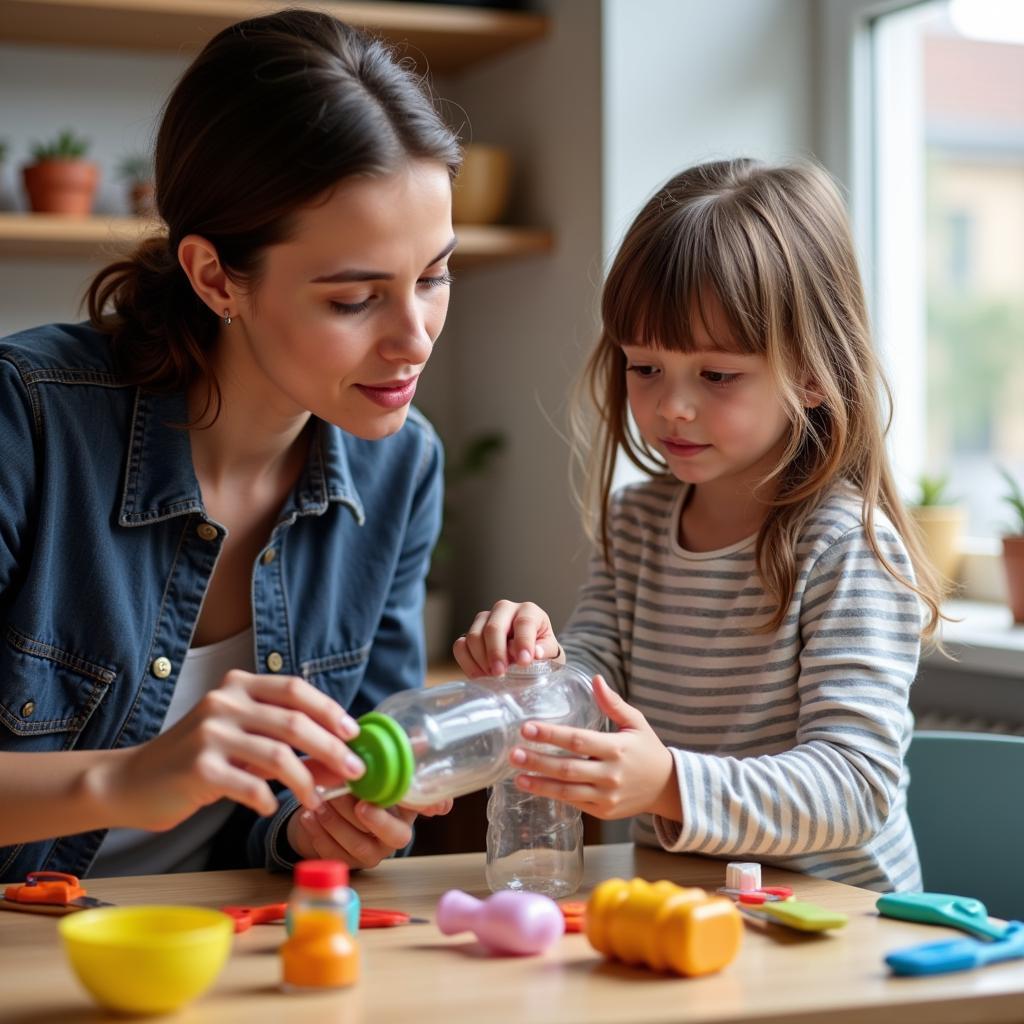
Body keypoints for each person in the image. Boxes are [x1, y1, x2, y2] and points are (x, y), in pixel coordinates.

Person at [0, 9, 459, 883]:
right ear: (216, 277)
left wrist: (317, 831)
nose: (416, 338)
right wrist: (123, 779)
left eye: (433, 276)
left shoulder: (401, 468)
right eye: (355, 299)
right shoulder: (26, 419)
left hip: (217, 949)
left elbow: (325, 790)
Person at [454, 158, 947, 892]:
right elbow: (597, 677)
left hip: (835, 928)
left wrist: (671, 786)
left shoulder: (848, 547)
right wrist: (541, 666)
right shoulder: (639, 522)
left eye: (716, 376)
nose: (672, 406)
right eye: (645, 367)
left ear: (813, 374)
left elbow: (856, 786)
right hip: (688, 904)